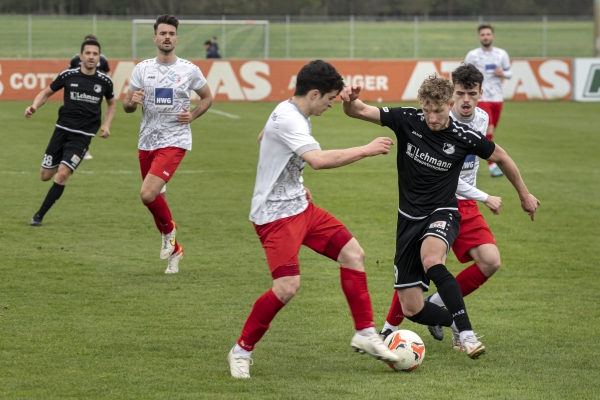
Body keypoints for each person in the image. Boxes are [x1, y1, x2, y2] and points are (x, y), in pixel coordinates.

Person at [341, 74, 539, 360]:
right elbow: (358, 110)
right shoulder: (407, 119)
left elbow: (502, 157)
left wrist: (524, 194)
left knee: (432, 259)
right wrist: (349, 100)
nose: (432, 118)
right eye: (427, 110)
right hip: (407, 218)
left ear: (450, 104)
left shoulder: (463, 136)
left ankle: (468, 334)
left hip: (443, 211)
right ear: (421, 104)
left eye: (439, 111)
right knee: (413, 308)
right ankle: (454, 323)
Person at [227, 59, 399, 379]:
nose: (332, 104)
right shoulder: (290, 118)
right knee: (287, 287)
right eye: (330, 99)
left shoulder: (292, 111)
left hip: (301, 208)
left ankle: (365, 332)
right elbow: (318, 161)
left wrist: (296, 184)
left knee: (353, 253)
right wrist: (367, 149)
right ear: (315, 93)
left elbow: (264, 136)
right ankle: (241, 350)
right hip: (275, 216)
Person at [380, 63, 506, 350]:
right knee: (426, 260)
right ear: (452, 95)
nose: (465, 100)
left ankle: (437, 307)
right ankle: (392, 327)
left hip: (464, 205)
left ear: (479, 94)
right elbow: (447, 175)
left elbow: (479, 162)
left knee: (490, 261)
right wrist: (486, 196)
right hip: (444, 199)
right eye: (460, 93)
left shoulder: (482, 119)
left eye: (471, 94)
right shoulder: (433, 118)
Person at [123, 14, 213, 274]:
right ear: (155, 38)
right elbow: (127, 106)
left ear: (176, 38)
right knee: (155, 200)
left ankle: (169, 231)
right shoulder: (142, 69)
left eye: (171, 33)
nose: (167, 37)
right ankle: (175, 249)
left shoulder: (189, 69)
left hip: (175, 139)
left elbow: (207, 97)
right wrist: (132, 102)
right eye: (162, 33)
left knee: (147, 194)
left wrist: (193, 115)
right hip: (146, 140)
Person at [25, 39, 115, 226]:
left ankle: (38, 216)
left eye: (95, 54)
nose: (91, 57)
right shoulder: (68, 75)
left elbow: (111, 104)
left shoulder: (105, 82)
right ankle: (65, 160)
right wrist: (34, 106)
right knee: (45, 176)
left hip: (82, 137)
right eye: (88, 53)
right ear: (81, 56)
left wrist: (107, 124)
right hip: (61, 131)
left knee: (62, 174)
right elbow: (45, 93)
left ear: (99, 58)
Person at [465, 24, 512, 178]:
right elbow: (464, 72)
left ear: (493, 36)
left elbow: (509, 73)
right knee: (489, 129)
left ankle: (470, 155)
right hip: (482, 96)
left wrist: (502, 72)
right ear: (479, 37)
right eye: (483, 34)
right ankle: (492, 165)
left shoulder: (501, 54)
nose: (485, 37)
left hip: (497, 97)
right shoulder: (472, 55)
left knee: (489, 131)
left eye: (488, 34)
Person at [69, 34, 111, 160]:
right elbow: (69, 73)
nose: (91, 56)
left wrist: (105, 85)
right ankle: (73, 148)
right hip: (77, 94)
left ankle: (84, 149)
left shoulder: (102, 59)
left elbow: (108, 71)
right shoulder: (75, 59)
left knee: (90, 118)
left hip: (94, 94)